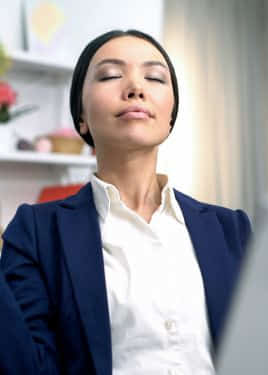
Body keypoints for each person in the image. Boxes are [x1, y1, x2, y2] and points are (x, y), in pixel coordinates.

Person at [0, 29, 251, 374]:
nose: (135, 88)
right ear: (82, 117)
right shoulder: (36, 232)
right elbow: (26, 366)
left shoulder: (232, 230)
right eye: (110, 75)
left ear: (171, 114)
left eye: (154, 77)